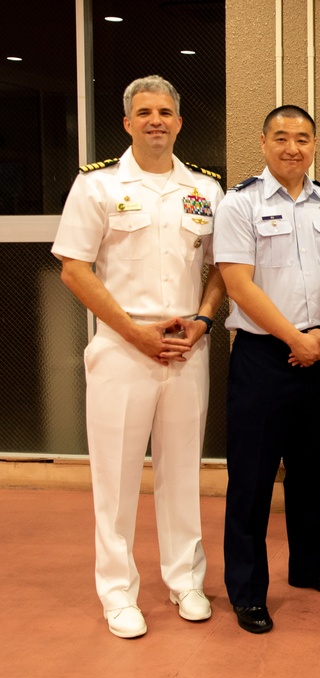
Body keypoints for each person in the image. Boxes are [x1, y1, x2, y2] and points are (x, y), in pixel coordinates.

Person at [52, 75, 224, 638]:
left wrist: (201, 321)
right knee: (118, 477)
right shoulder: (98, 186)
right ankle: (118, 593)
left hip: (185, 346)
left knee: (181, 472)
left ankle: (185, 581)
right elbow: (75, 268)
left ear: (179, 121)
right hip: (121, 345)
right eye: (145, 112)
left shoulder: (204, 190)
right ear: (127, 122)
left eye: (166, 111)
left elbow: (221, 270)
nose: (156, 120)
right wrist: (134, 332)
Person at [214, 105, 320, 635]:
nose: (292, 147)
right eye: (281, 137)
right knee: (250, 481)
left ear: (315, 144)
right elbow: (238, 283)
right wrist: (293, 337)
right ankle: (248, 590)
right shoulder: (240, 203)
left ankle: (311, 566)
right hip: (264, 357)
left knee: (311, 473)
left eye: (302, 138)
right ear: (264, 142)